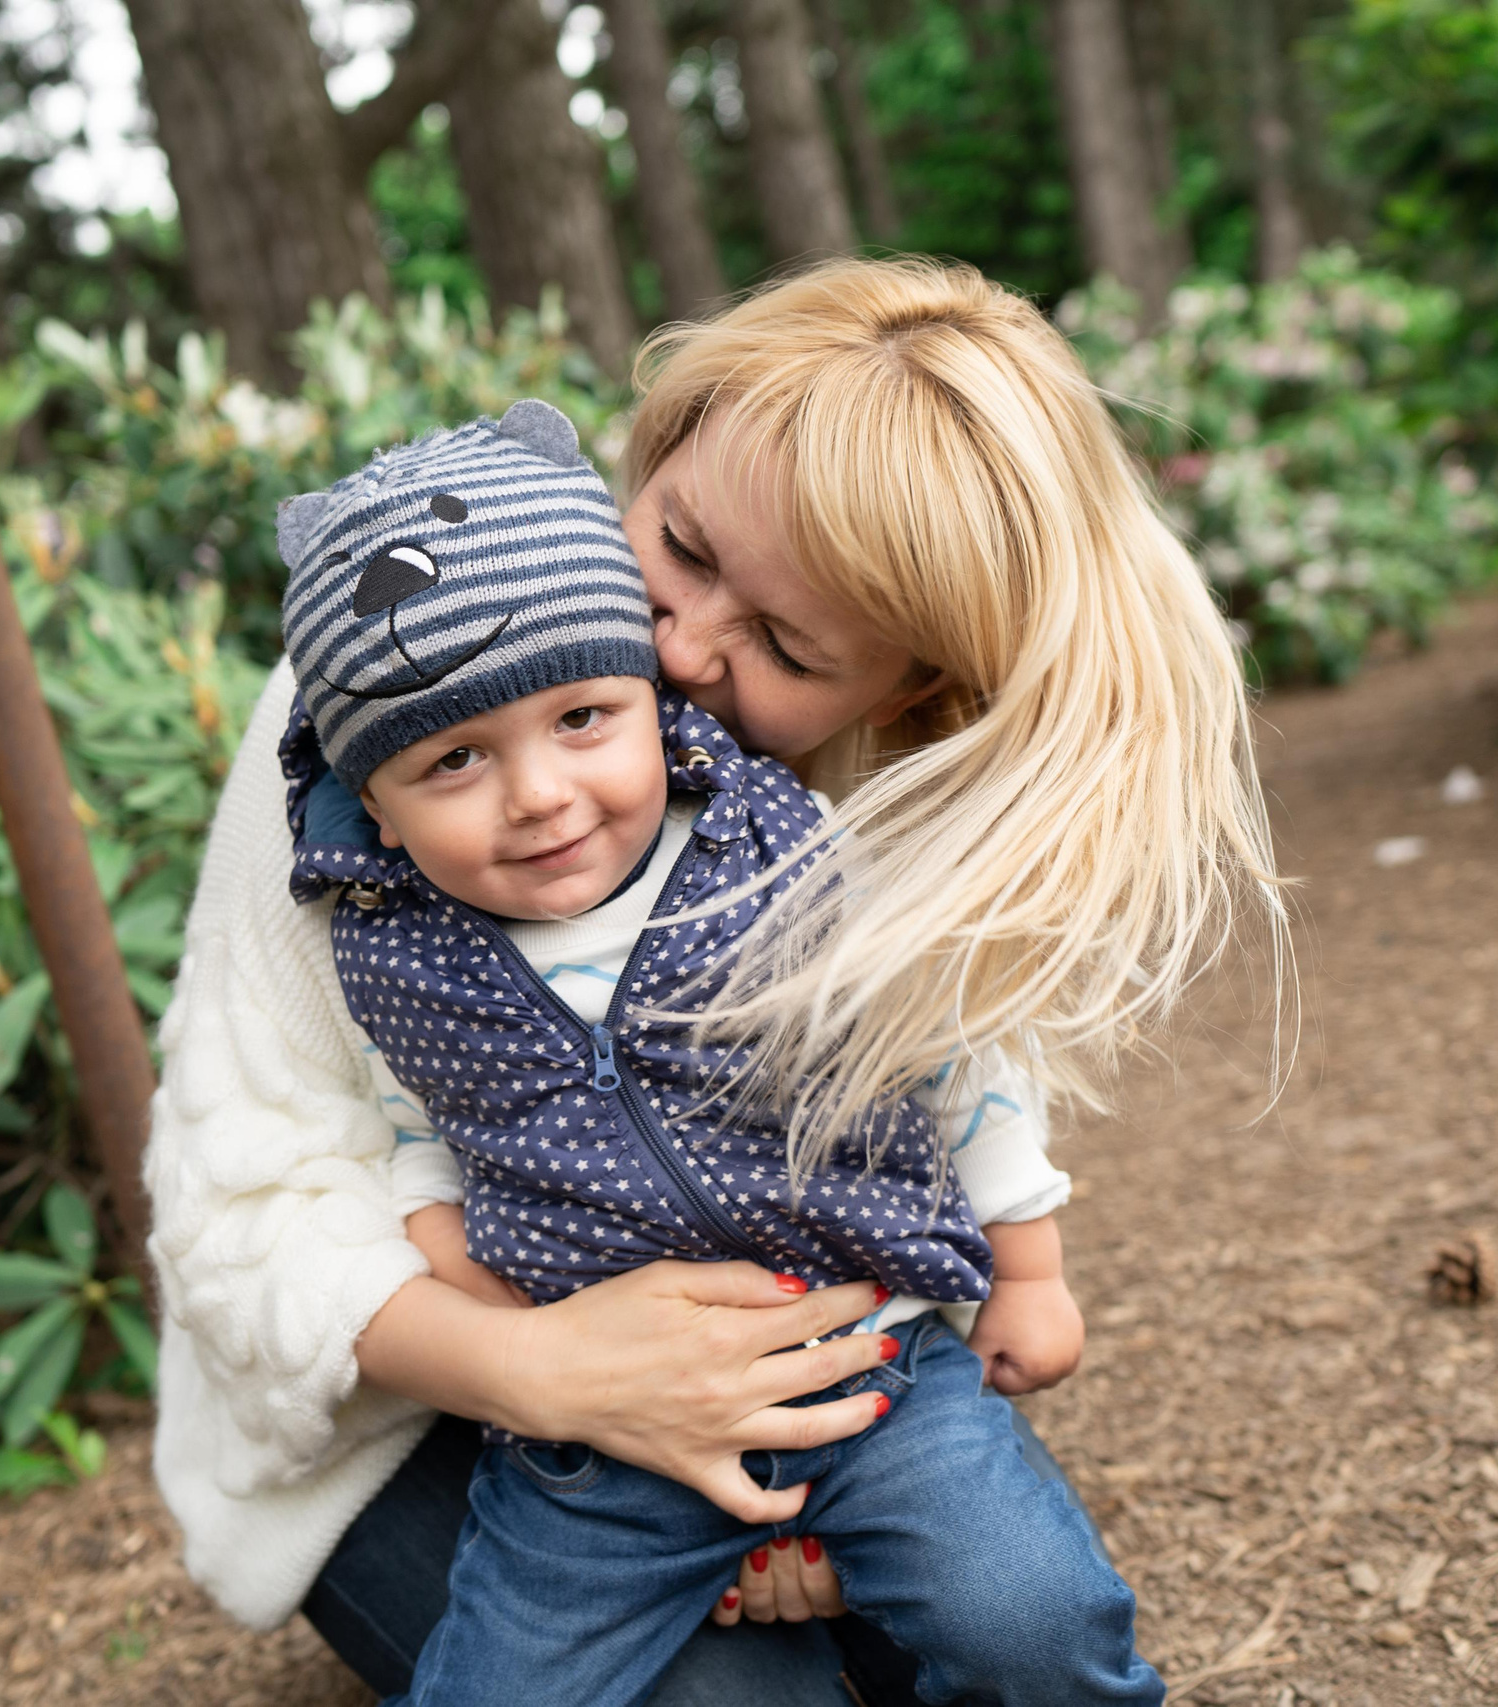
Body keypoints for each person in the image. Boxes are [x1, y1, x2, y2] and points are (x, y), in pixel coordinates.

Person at [142, 256, 1283, 1702]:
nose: (681, 652)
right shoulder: (409, 665)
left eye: (786, 648)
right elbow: (235, 1210)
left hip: (799, 1355)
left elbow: (916, 1140)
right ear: (662, 444)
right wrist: (558, 1382)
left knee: (1012, 1622)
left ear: (909, 691)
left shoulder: (879, 802)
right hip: (421, 1392)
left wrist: (793, 1433)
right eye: (679, 547)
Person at [268, 396, 1150, 1707]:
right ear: (373, 811)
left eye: (582, 720)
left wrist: (1029, 1270)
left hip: (873, 1362)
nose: (540, 795)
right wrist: (504, 1321)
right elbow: (413, 1143)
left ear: (651, 705)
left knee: (1024, 1615)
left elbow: (950, 1058)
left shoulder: (779, 856)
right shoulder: (393, 951)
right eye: (454, 761)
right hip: (595, 1444)